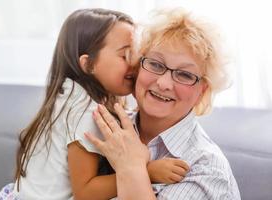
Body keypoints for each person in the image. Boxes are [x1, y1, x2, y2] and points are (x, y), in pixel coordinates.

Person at [0, 8, 189, 200]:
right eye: (125, 56)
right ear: (88, 64)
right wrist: (147, 171)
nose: (135, 64)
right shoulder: (87, 113)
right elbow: (85, 193)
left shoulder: (68, 93)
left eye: (136, 55)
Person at [86, 8, 241, 200]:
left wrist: (132, 167)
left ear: (202, 91)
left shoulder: (207, 168)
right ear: (137, 67)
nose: (163, 83)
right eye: (156, 64)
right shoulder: (107, 126)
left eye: (185, 75)